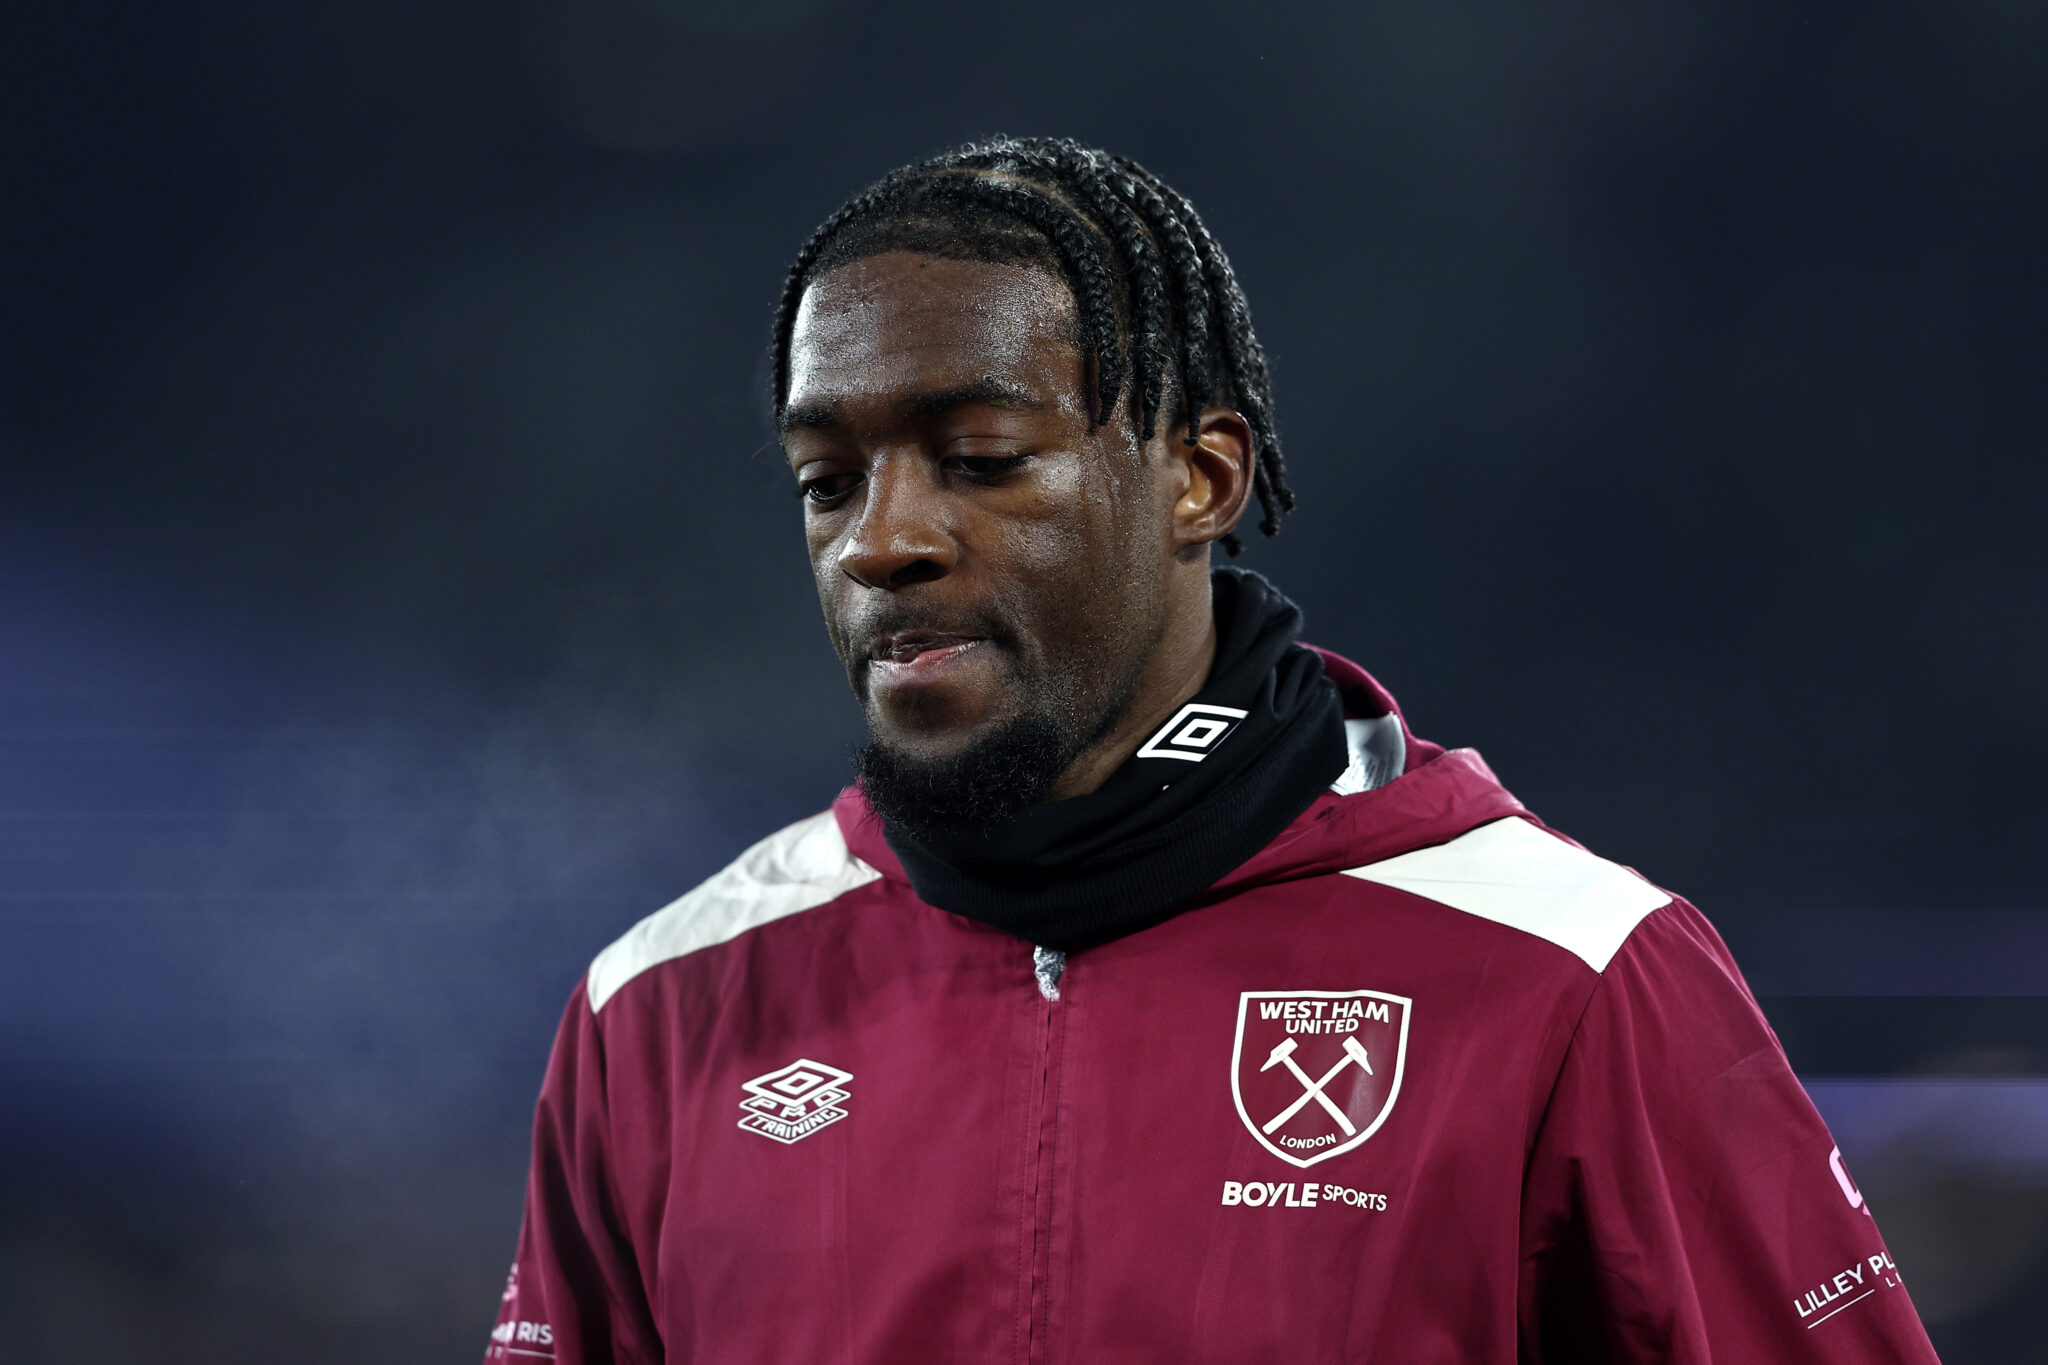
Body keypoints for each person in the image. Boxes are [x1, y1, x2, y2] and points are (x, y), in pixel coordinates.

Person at [486, 137, 1941, 1363]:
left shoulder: (1572, 977)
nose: (884, 539)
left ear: (1199, 477)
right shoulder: (663, 1016)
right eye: (826, 481)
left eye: (982, 460)